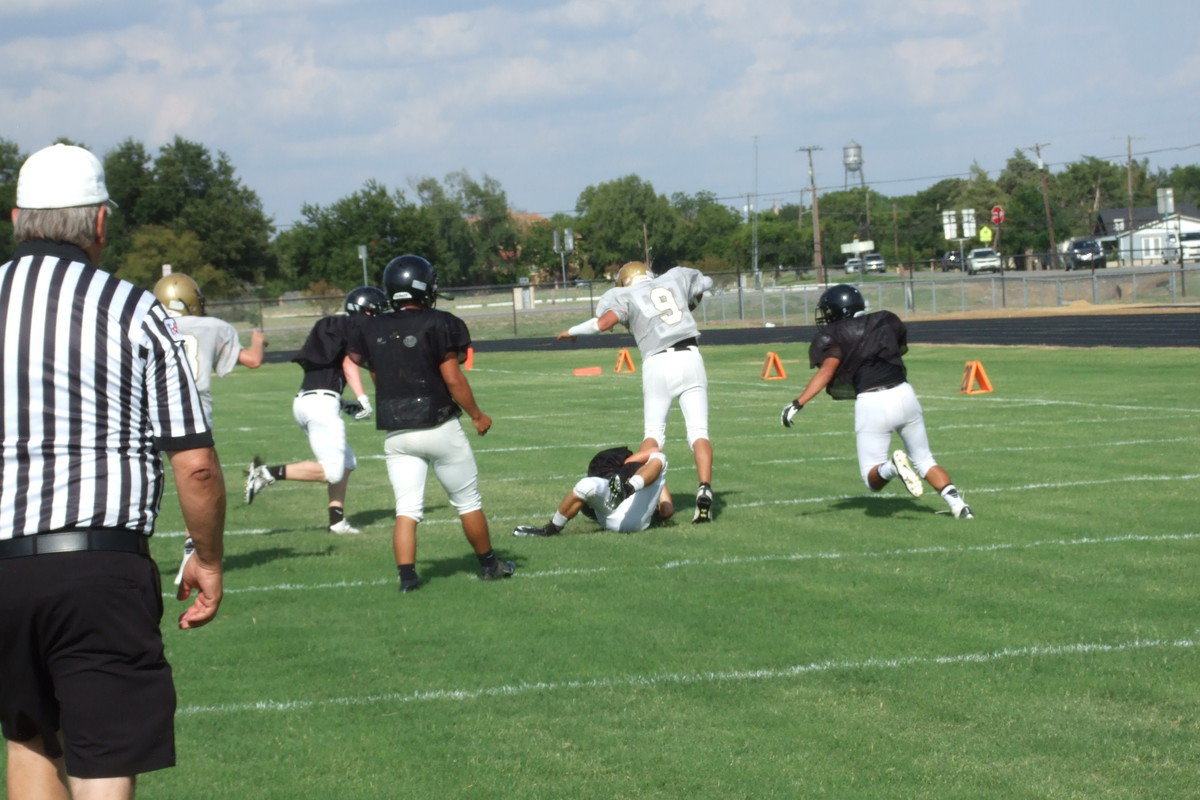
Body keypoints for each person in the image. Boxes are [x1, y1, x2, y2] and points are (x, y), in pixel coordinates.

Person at [0, 143, 225, 799]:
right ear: (100, 224)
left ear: (18, 217)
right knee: (103, 755)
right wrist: (206, 559)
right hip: (98, 563)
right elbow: (197, 465)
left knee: (29, 736)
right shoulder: (135, 311)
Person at [347, 254, 515, 593]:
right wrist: (477, 416)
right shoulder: (441, 322)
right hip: (439, 426)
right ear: (423, 286)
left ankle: (408, 578)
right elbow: (452, 378)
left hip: (397, 431)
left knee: (406, 508)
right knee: (467, 501)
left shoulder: (372, 327)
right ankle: (489, 565)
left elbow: (379, 375)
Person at [779, 284, 973, 519]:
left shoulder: (835, 335)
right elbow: (898, 349)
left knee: (873, 479)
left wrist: (798, 402)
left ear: (838, 310)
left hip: (873, 402)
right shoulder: (885, 320)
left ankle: (892, 467)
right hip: (905, 394)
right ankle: (959, 505)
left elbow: (827, 372)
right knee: (924, 459)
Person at [557, 261, 716, 523]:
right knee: (699, 432)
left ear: (624, 282)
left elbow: (603, 323)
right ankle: (705, 488)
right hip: (691, 356)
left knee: (654, 436)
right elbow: (702, 286)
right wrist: (688, 306)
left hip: (657, 362)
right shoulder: (673, 278)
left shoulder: (623, 295)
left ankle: (647, 492)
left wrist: (572, 331)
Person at [243, 286, 385, 534]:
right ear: (368, 311)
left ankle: (337, 521)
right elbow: (348, 365)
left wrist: (342, 403)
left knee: (347, 461)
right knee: (332, 471)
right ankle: (266, 473)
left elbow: (326, 371)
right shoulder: (353, 328)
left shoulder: (331, 325)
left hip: (307, 400)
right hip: (321, 404)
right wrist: (363, 399)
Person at [152, 271, 267, 427]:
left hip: (155, 409)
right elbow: (253, 360)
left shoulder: (146, 326)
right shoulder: (212, 327)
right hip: (195, 409)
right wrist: (258, 340)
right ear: (189, 300)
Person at [513, 444, 674, 536]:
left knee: (585, 485)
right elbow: (654, 452)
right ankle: (628, 488)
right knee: (660, 458)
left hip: (607, 516)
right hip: (633, 519)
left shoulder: (598, 473)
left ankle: (550, 529)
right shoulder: (631, 466)